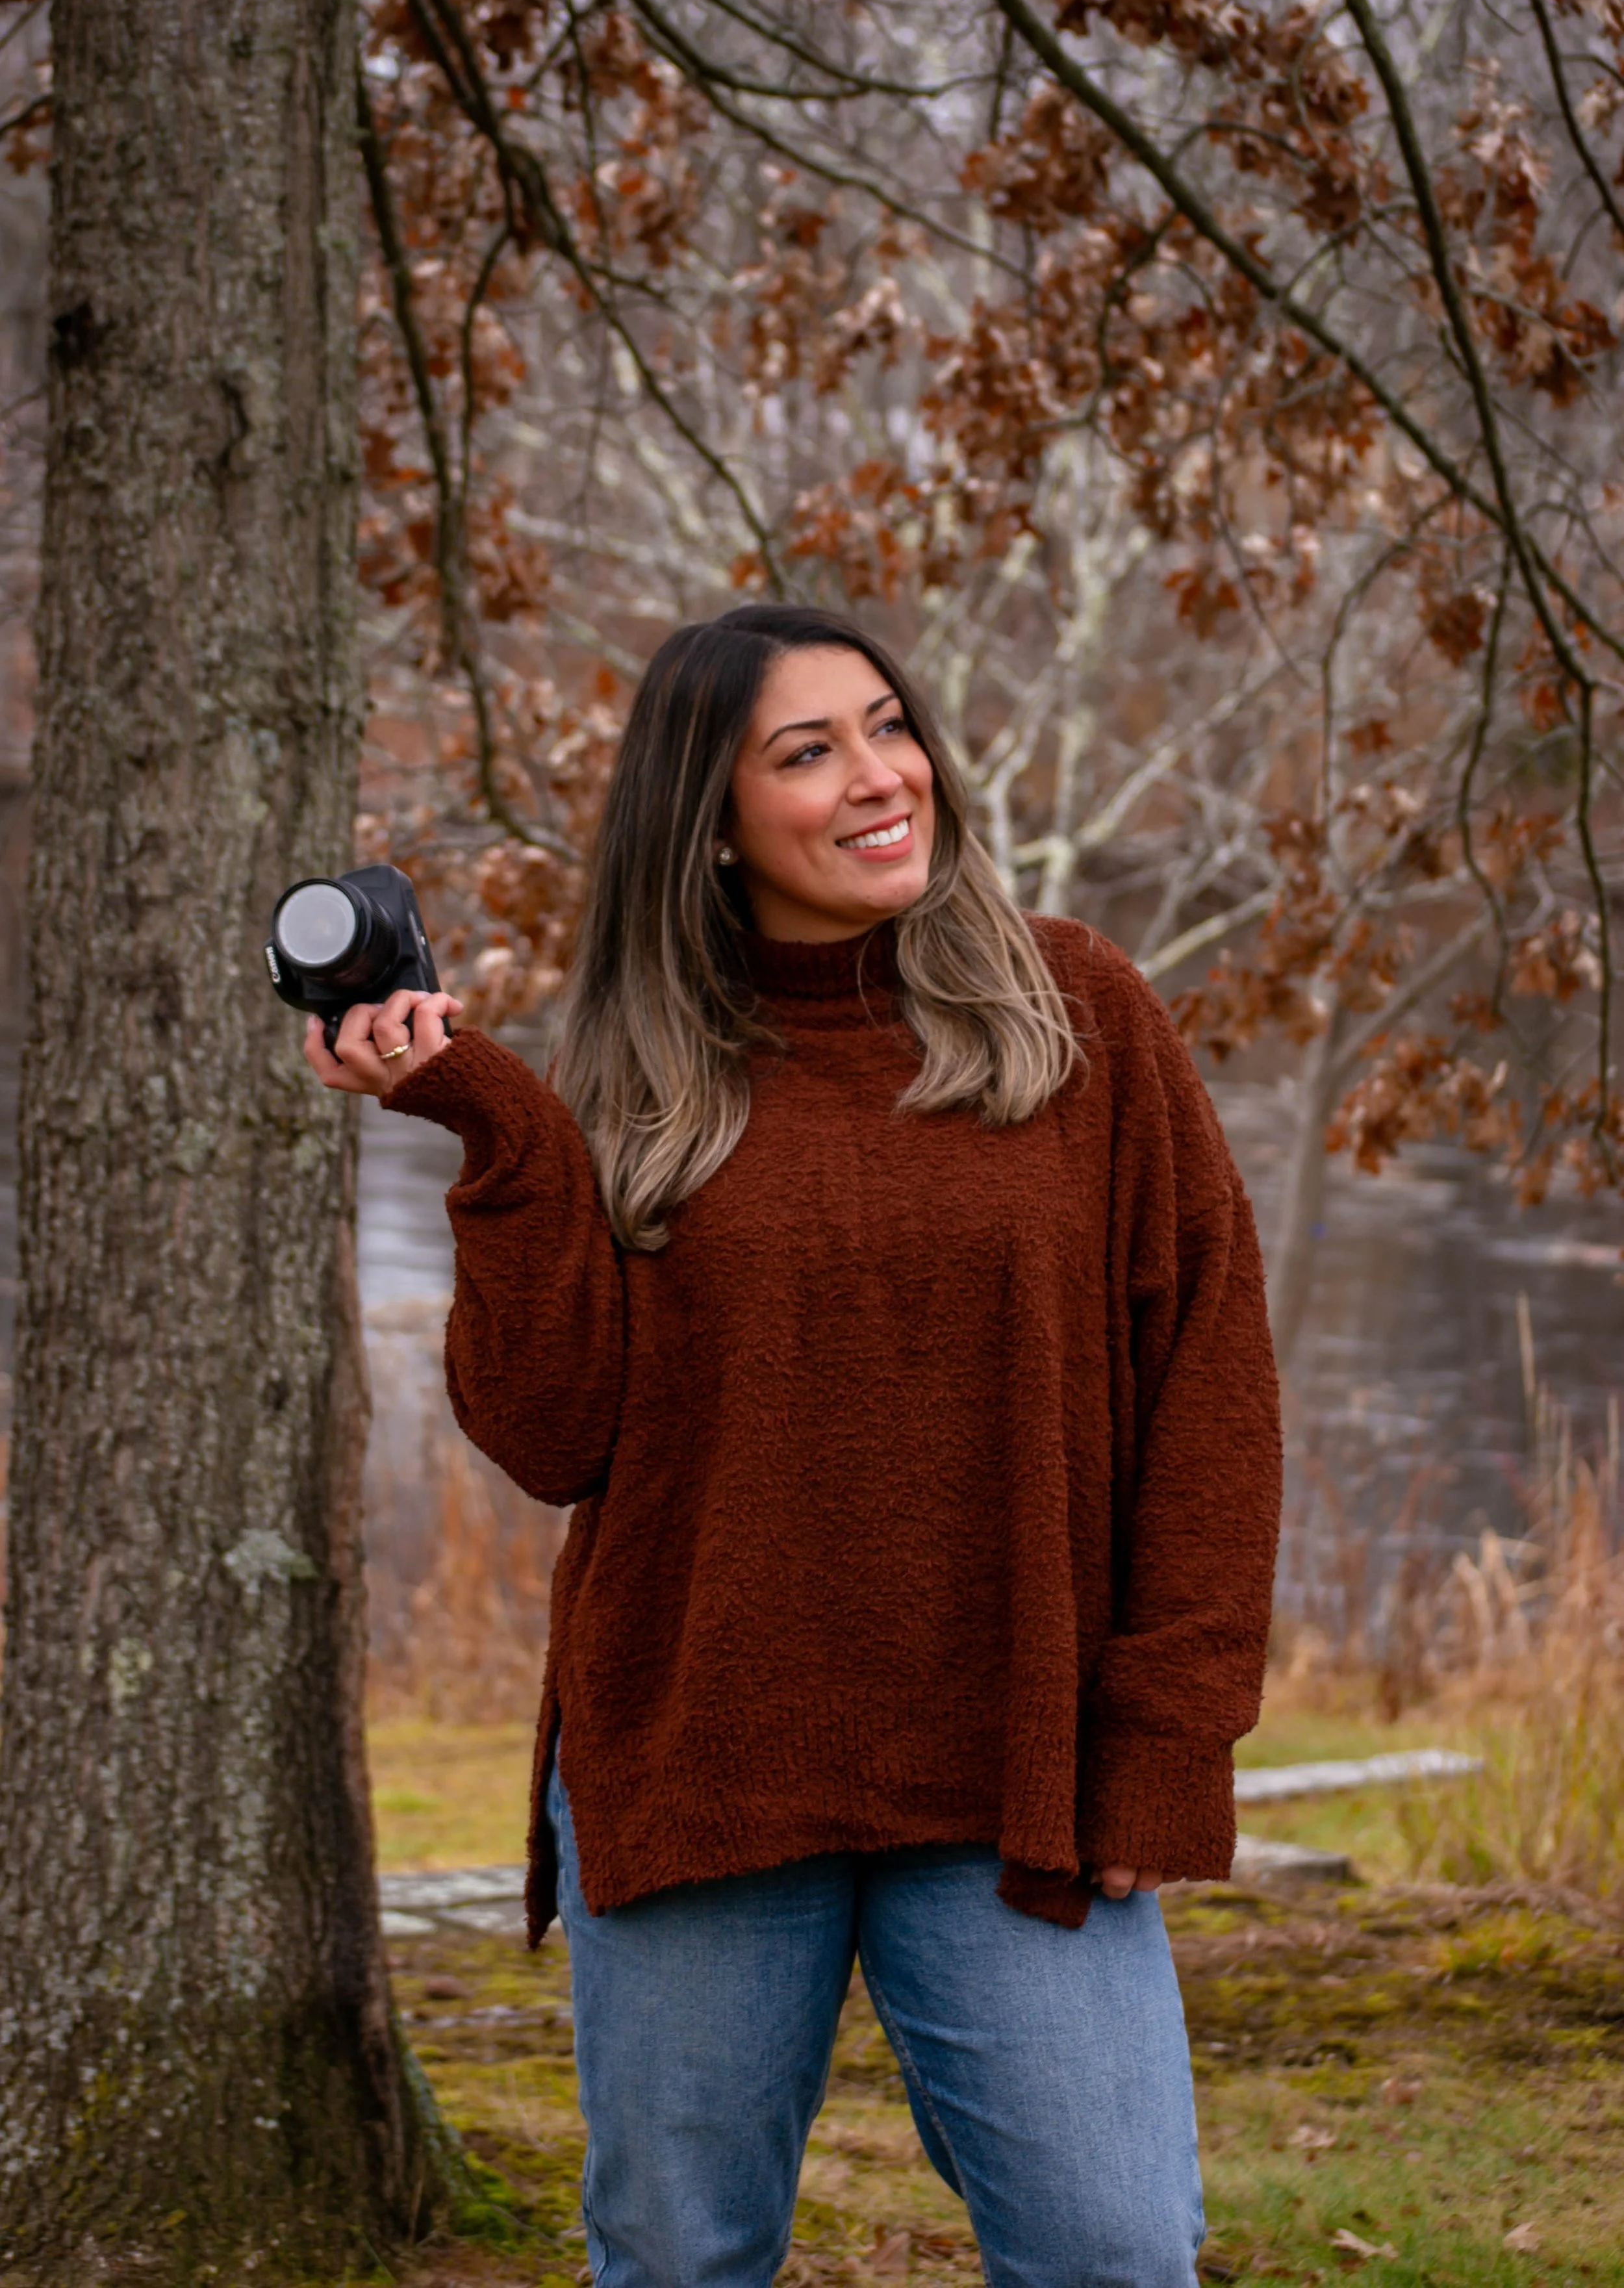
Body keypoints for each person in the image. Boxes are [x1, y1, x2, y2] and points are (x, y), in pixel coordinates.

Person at [305, 604, 1282, 2288]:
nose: (878, 775)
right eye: (807, 750)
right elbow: (551, 1439)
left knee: (1116, 2245)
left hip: (1012, 1760)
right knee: (681, 2258)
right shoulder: (633, 1071)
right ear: (707, 814)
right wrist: (494, 1122)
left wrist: (1170, 1728)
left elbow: (1207, 1385)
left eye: (887, 726)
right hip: (701, 1747)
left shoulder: (1078, 1015)